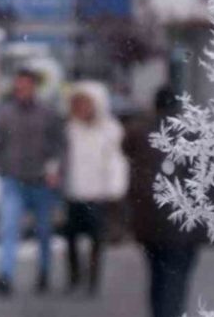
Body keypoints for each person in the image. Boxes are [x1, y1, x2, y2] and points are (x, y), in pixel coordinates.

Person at [123, 85, 208, 317]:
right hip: (185, 223)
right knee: (178, 277)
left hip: (149, 221)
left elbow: (129, 163)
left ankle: (159, 312)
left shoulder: (139, 133)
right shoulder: (195, 135)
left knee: (157, 275)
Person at [0, 67, 65, 297]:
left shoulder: (48, 114)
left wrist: (55, 170)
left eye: (26, 85)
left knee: (43, 231)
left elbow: (60, 145)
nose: (21, 90)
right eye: (19, 86)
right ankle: (5, 276)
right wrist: (1, 169)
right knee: (8, 229)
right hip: (14, 181)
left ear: (34, 87)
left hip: (41, 183)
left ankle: (44, 273)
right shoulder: (6, 114)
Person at [62, 81, 128, 295]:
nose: (82, 108)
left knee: (96, 240)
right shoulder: (70, 128)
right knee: (71, 238)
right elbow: (63, 157)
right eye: (78, 103)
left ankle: (93, 280)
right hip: (73, 192)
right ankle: (74, 277)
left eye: (86, 103)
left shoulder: (110, 129)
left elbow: (115, 161)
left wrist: (115, 190)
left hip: (98, 194)